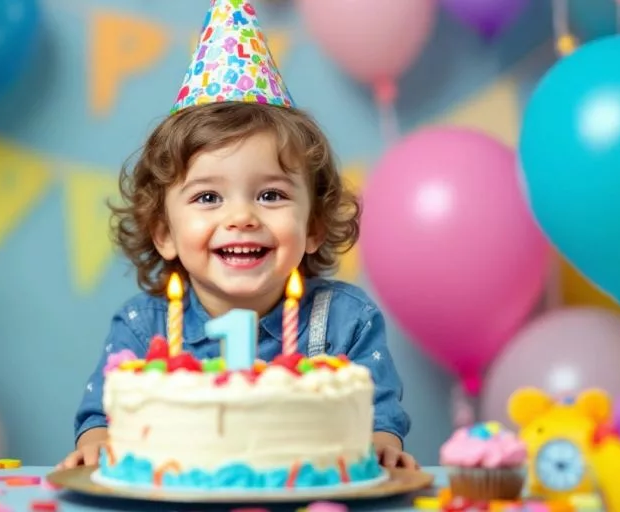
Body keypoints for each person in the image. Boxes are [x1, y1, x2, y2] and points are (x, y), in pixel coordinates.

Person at [61, 0, 416, 471]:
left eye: (270, 196)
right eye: (208, 198)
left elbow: (379, 416)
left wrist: (381, 439)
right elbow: (100, 415)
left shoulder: (345, 322)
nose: (242, 217)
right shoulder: (142, 326)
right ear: (164, 232)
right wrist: (98, 437)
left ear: (312, 227)